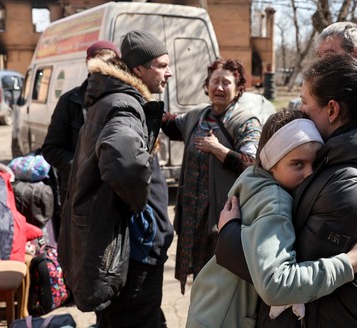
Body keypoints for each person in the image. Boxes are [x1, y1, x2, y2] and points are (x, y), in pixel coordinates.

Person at [216, 54, 357, 327]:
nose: (300, 112)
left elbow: (280, 276)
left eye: (304, 102)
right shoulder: (339, 157)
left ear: (332, 110)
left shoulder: (352, 185)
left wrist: (229, 234)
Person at [186, 109, 357, 328]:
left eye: (314, 163)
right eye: (297, 164)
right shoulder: (275, 201)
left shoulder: (252, 176)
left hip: (210, 307)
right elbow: (276, 284)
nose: (309, 173)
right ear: (271, 162)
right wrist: (352, 262)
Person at [57, 30, 174, 328]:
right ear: (138, 70)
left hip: (124, 246)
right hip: (134, 250)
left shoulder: (110, 99)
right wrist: (141, 208)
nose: (168, 72)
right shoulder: (125, 105)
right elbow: (123, 164)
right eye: (161, 65)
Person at [161, 58, 262, 294]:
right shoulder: (196, 116)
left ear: (238, 89)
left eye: (226, 83)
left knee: (222, 285)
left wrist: (220, 151)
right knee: (200, 282)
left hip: (222, 219)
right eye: (214, 81)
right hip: (193, 220)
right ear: (206, 85)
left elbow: (253, 165)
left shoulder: (246, 121)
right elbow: (168, 123)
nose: (219, 87)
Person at [41, 40, 120, 239]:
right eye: (98, 64)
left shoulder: (124, 101)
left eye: (109, 63)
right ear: (88, 65)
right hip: (78, 195)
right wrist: (83, 168)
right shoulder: (71, 101)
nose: (103, 69)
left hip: (115, 197)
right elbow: (51, 148)